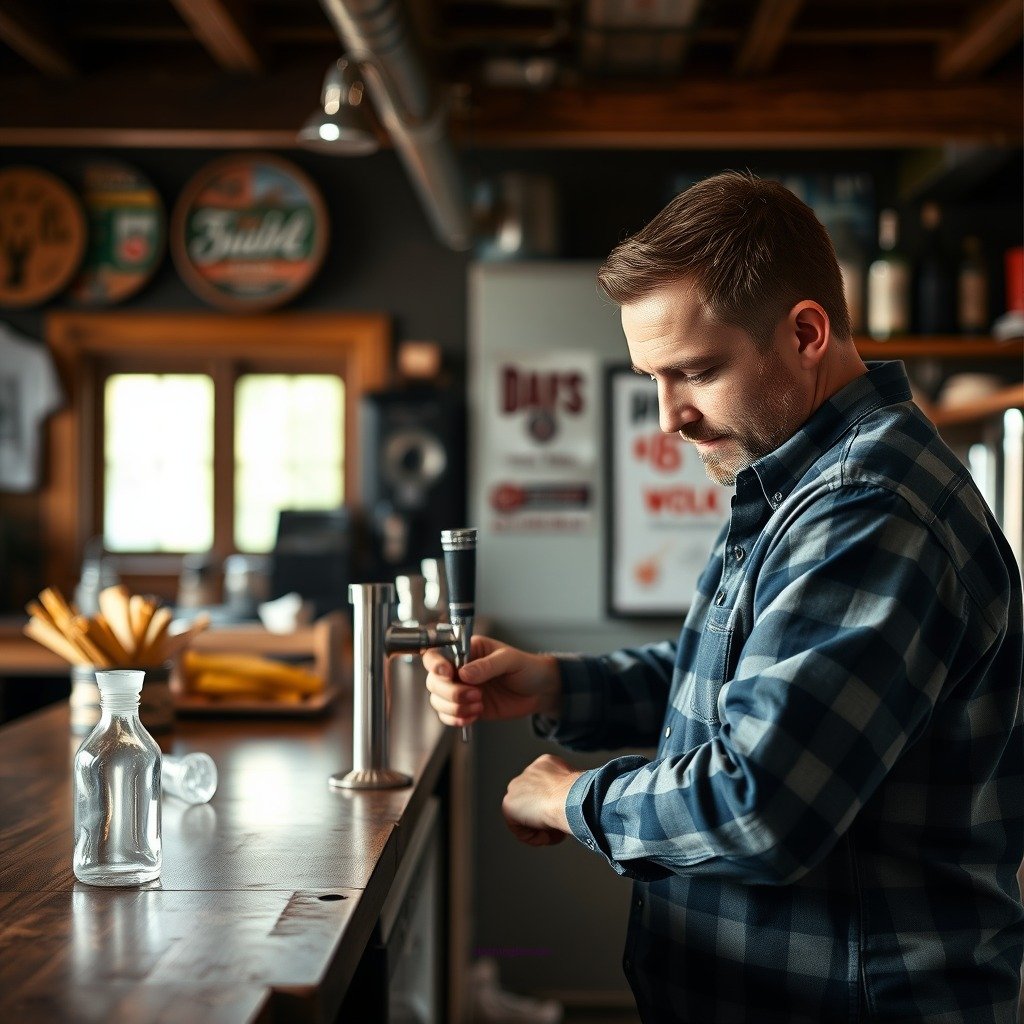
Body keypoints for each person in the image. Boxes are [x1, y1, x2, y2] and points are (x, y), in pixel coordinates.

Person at [422, 171, 1024, 1023]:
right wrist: (558, 682)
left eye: (693, 373)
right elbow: (738, 682)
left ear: (807, 332)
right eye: (652, 380)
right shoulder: (800, 480)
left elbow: (761, 804)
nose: (669, 419)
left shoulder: (868, 508)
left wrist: (570, 798)